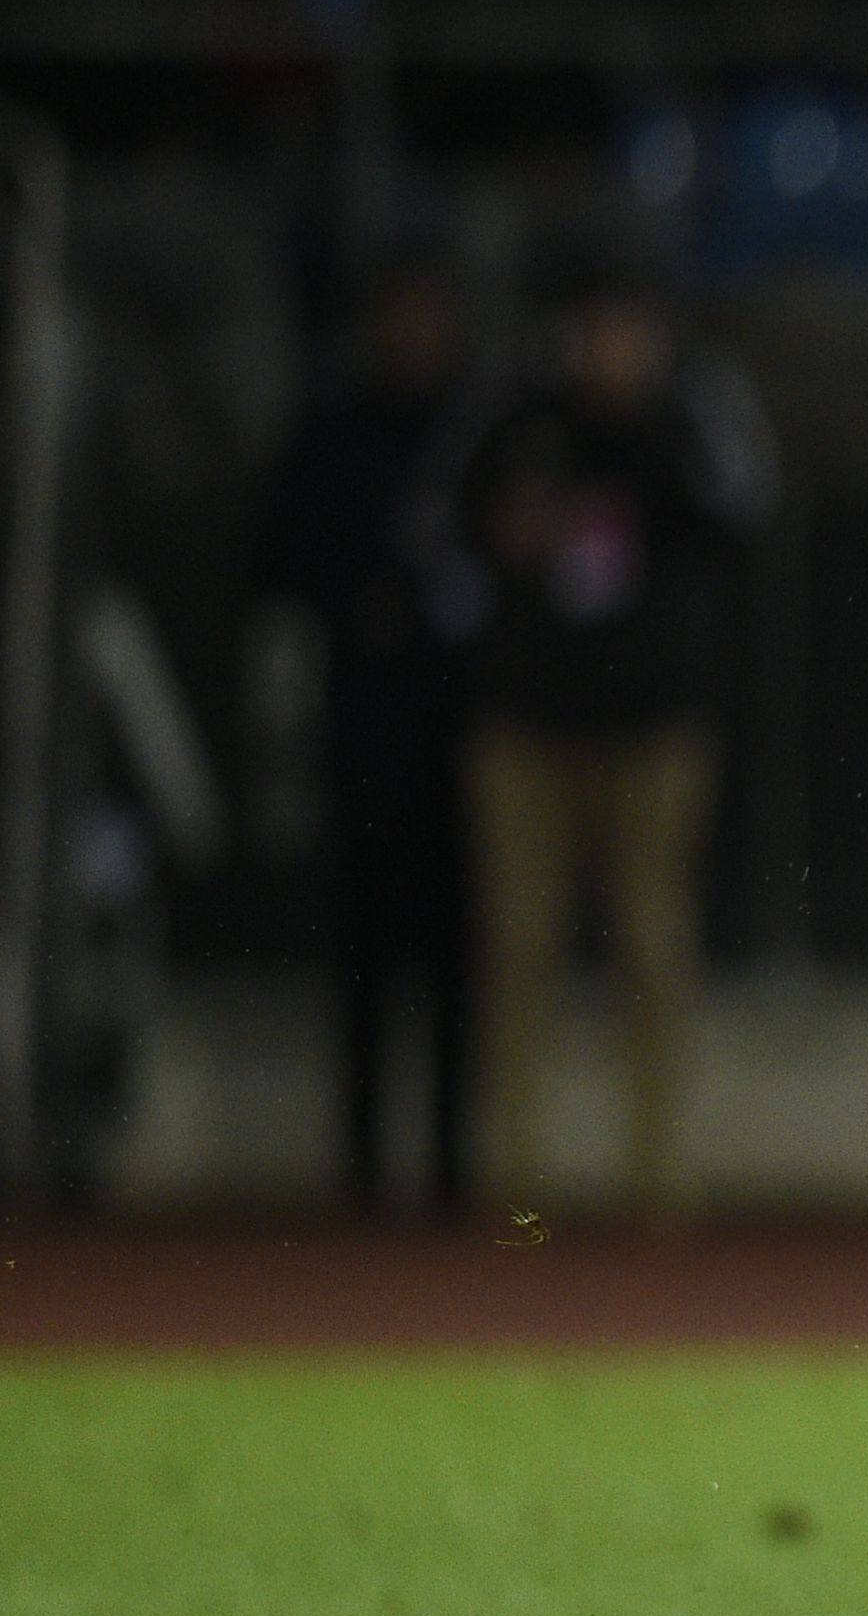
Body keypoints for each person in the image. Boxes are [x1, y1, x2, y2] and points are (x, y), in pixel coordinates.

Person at [455, 273, 774, 1220]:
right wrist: (505, 534)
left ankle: (656, 1175)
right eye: (595, 332)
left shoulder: (687, 420)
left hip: (652, 730)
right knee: (518, 947)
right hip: (528, 725)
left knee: (653, 947)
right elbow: (454, 525)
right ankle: (516, 1181)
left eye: (627, 332)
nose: (610, 352)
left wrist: (659, 443)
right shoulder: (517, 421)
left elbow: (745, 522)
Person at [262, 260, 480, 1214]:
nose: (415, 334)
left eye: (429, 313)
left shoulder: (476, 428)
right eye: (401, 314)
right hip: (362, 725)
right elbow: (276, 558)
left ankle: (450, 1170)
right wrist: (360, 605)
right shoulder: (332, 430)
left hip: (460, 729)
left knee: (455, 960)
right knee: (363, 958)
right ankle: (360, 1170)